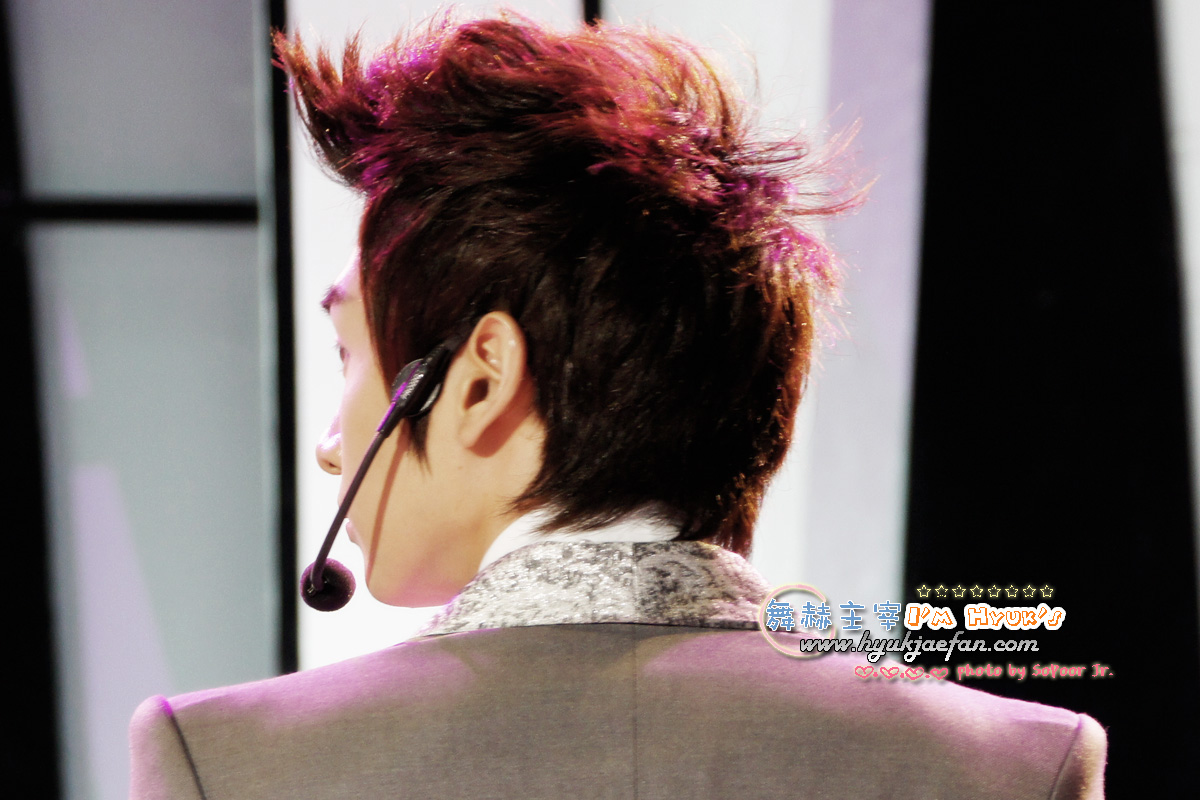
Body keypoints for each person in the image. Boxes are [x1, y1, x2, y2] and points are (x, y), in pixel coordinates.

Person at [129, 12, 1107, 799]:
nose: (330, 448)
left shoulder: (231, 764)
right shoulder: (1018, 763)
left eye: (352, 353)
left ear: (479, 382)